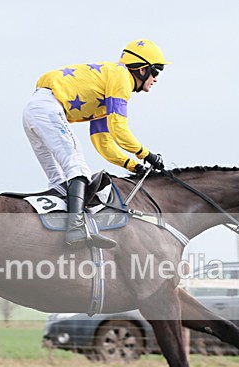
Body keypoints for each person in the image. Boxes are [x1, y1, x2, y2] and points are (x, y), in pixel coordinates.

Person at [22, 39, 169, 249]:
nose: (156, 79)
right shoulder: (122, 78)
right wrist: (147, 155)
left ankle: (57, 232)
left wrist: (133, 166)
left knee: (58, 181)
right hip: (47, 109)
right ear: (143, 69)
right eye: (156, 71)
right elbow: (120, 130)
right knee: (78, 168)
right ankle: (75, 230)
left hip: (35, 111)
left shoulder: (108, 84)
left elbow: (103, 141)